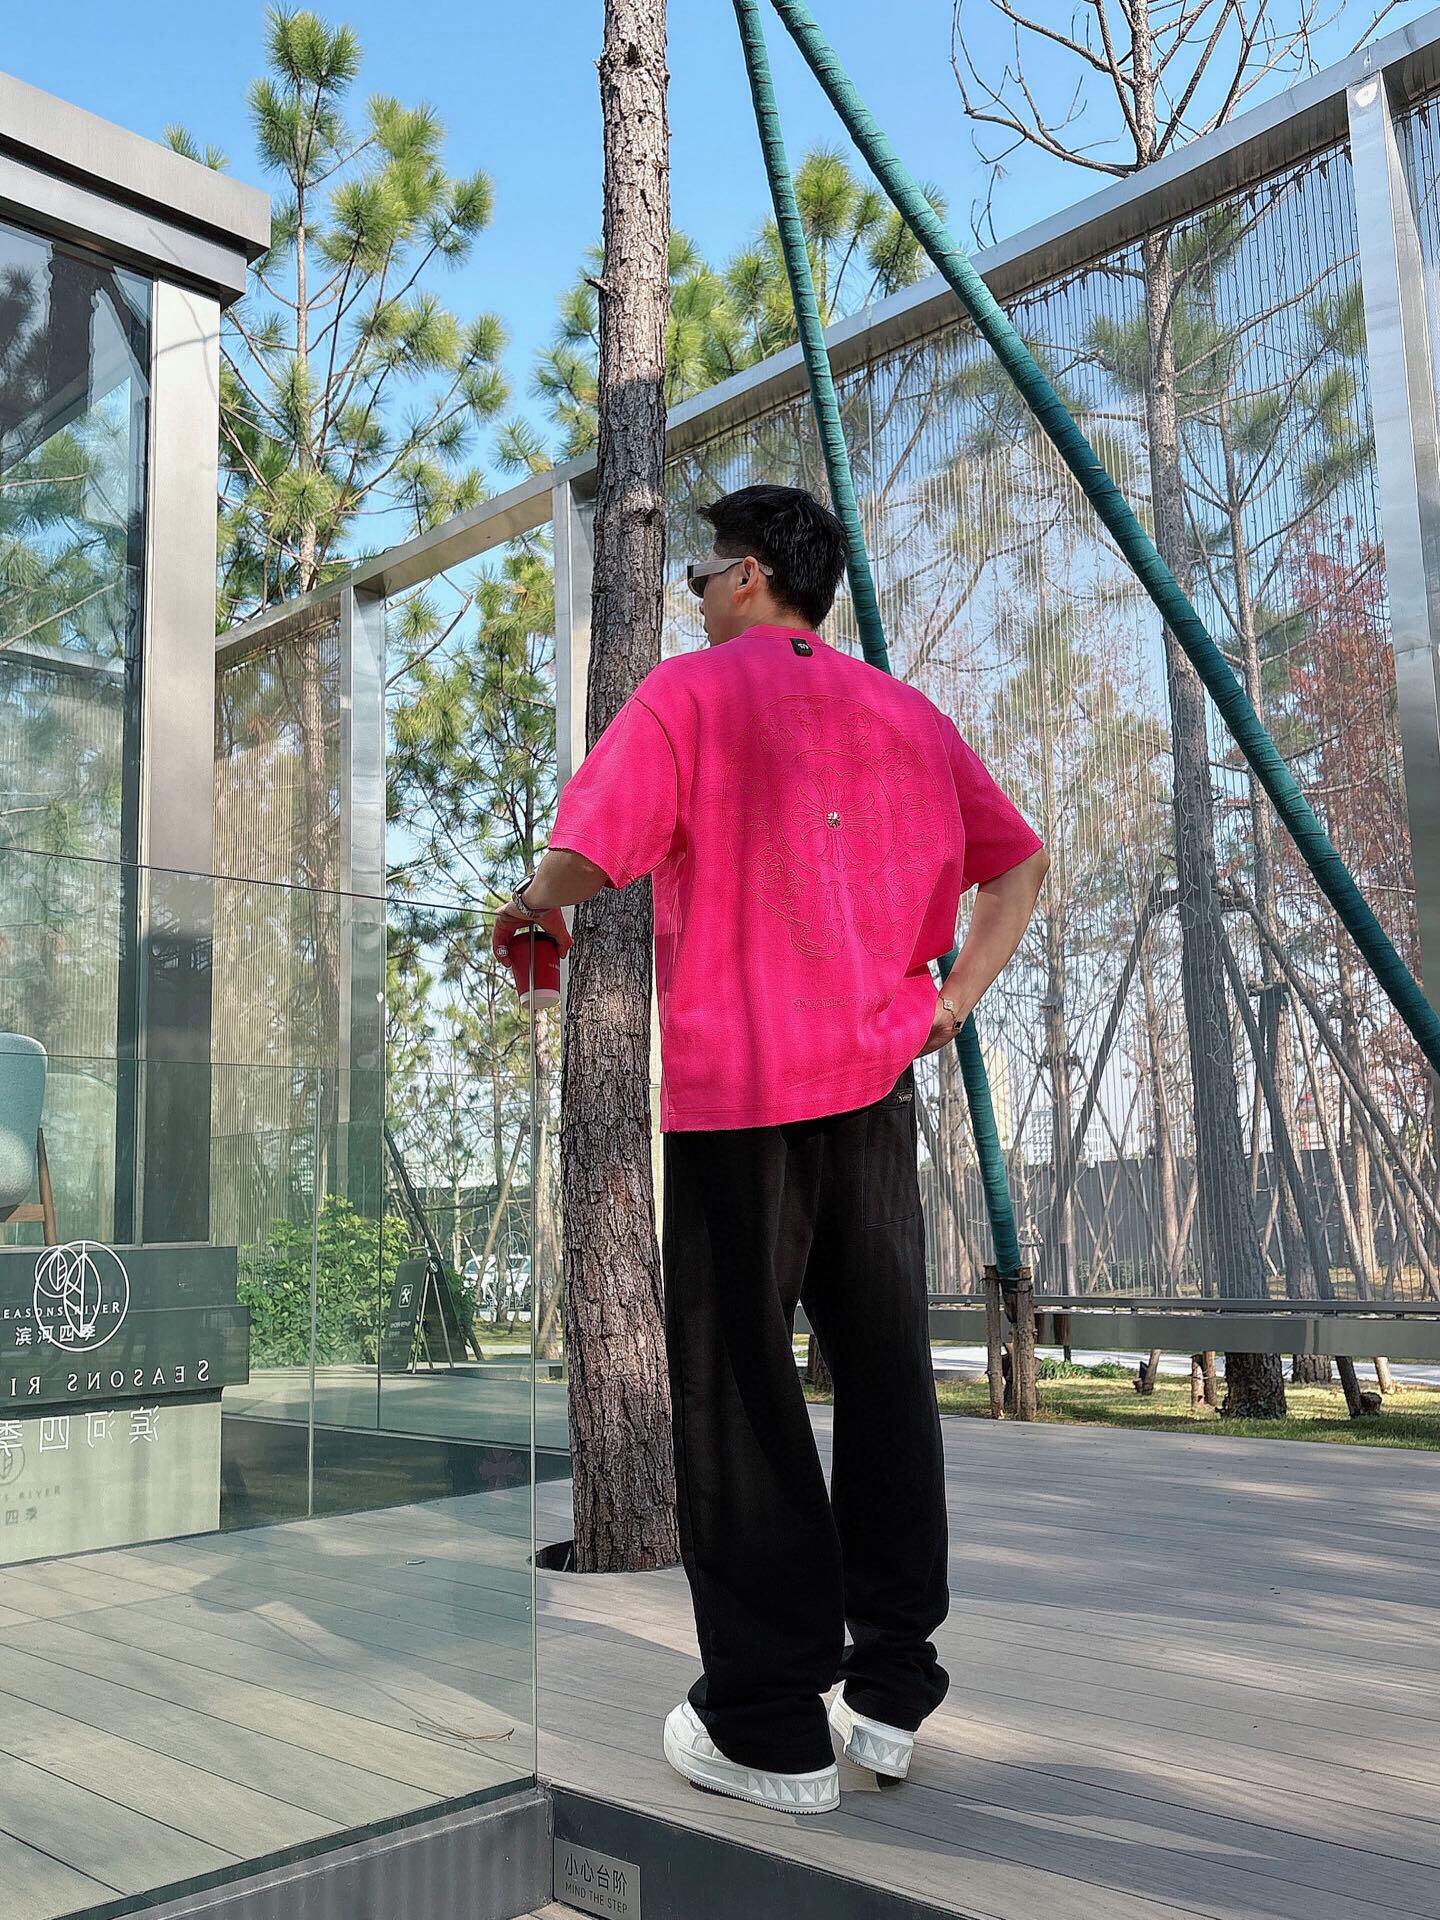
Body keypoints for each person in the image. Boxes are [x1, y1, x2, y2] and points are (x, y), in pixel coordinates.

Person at [492, 483, 1048, 1816]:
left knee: (741, 1398)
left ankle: (768, 1726)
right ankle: (890, 1690)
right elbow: (1020, 862)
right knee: (886, 1378)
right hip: (875, 1087)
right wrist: (951, 1004)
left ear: (746, 576)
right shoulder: (908, 715)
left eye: (700, 574)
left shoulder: (692, 693)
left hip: (743, 1093)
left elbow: (584, 853)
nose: (692, 596)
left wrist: (525, 902)